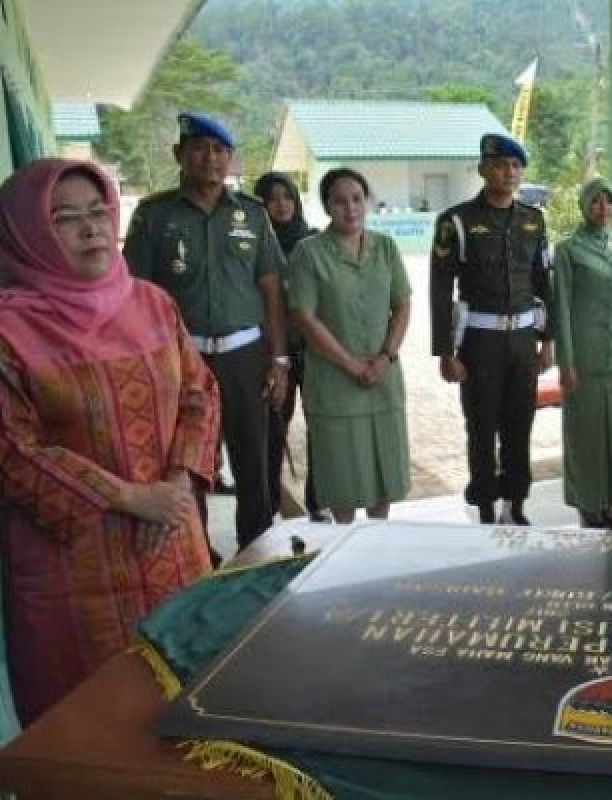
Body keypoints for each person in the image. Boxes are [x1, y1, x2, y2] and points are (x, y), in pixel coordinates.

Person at [0, 159, 218, 724]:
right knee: (96, 733)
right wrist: (129, 497)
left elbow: (198, 392)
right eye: (65, 218)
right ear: (26, 234)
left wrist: (173, 486)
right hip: (75, 577)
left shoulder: (151, 303)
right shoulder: (10, 331)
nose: (91, 228)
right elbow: (13, 449)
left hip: (174, 547)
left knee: (192, 709)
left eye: (98, 212)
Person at [124, 112, 288, 551]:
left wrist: (279, 360)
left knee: (252, 458)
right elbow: (134, 295)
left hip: (244, 356)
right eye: (199, 148)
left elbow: (271, 289)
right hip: (181, 360)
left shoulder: (252, 215)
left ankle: (255, 551)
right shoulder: (154, 216)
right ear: (180, 155)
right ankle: (198, 554)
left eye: (219, 151)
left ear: (231, 160)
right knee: (188, 459)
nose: (210, 158)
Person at [430, 133, 554, 525]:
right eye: (501, 165)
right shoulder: (456, 221)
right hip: (479, 342)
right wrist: (445, 353)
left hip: (522, 340)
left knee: (520, 425)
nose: (509, 172)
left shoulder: (533, 220)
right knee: (482, 426)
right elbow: (439, 288)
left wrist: (548, 341)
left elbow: (543, 283)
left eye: (516, 166)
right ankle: (484, 502)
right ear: (483, 169)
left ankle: (515, 502)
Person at [288, 168, 412, 524]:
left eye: (357, 199)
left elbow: (402, 304)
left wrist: (386, 357)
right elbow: (304, 317)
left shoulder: (385, 246)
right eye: (339, 201)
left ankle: (379, 540)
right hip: (335, 382)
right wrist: (352, 365)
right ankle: (343, 544)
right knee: (343, 478)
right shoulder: (309, 253)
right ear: (326, 206)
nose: (350, 208)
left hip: (383, 378)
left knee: (383, 469)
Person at [553, 178, 612, 529]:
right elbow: (560, 307)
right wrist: (566, 361)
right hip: (584, 357)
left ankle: (608, 502)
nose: (603, 209)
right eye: (595, 202)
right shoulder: (568, 250)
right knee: (583, 433)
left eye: (609, 203)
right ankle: (585, 503)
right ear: (583, 206)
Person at [252, 171, 328, 523]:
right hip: (271, 353)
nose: (281, 205)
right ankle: (266, 508)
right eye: (272, 198)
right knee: (272, 431)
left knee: (321, 427)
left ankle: (318, 503)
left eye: (287, 197)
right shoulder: (252, 244)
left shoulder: (314, 241)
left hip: (312, 351)